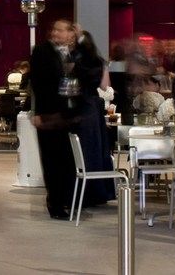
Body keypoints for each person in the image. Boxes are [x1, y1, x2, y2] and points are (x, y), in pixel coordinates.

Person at [29, 17, 80, 219]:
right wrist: (38, 113)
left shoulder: (70, 52)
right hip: (49, 115)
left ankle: (67, 199)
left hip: (65, 115)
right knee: (52, 161)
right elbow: (38, 84)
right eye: (55, 30)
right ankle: (55, 204)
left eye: (62, 30)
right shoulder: (42, 51)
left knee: (67, 160)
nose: (57, 33)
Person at [71, 28, 115, 208]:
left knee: (83, 150)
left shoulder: (75, 60)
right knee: (95, 149)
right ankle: (98, 191)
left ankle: (83, 192)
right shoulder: (98, 61)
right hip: (94, 108)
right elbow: (105, 86)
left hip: (81, 107)